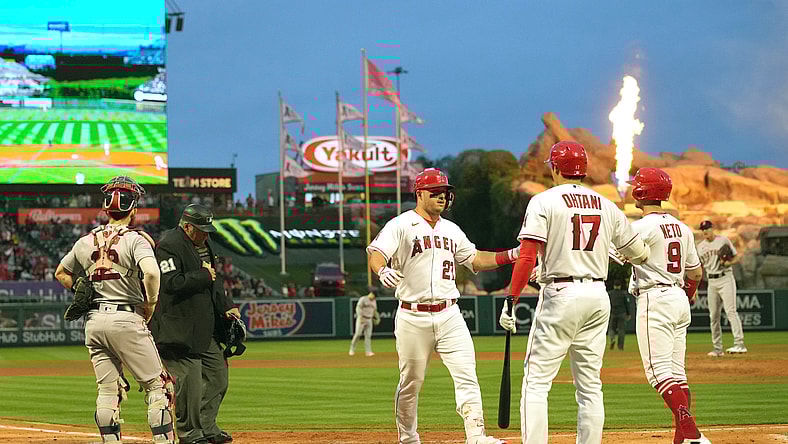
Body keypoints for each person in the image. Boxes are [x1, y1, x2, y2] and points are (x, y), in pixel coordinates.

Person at [499, 141, 650, 444]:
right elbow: (640, 253)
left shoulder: (544, 201)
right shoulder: (606, 203)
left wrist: (511, 300)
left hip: (561, 293)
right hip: (597, 294)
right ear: (583, 170)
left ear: (554, 168)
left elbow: (527, 256)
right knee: (590, 385)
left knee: (537, 382)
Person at [367, 168, 520, 444]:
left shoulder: (451, 229)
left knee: (467, 374)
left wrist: (512, 255)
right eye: (435, 192)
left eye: (445, 192)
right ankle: (408, 438)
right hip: (413, 315)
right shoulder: (401, 224)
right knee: (411, 382)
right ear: (420, 193)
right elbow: (377, 253)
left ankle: (476, 435)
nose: (442, 196)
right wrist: (381, 271)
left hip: (450, 313)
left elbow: (474, 259)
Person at [54, 175, 175, 443]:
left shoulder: (86, 240)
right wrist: (151, 304)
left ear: (106, 208)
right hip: (126, 318)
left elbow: (61, 272)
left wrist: (78, 289)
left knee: (108, 390)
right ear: (133, 209)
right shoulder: (136, 239)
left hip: (94, 321)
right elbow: (152, 273)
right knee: (159, 387)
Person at [626, 168, 711, 444]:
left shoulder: (640, 227)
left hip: (654, 297)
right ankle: (682, 440)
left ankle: (694, 434)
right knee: (677, 373)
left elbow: (615, 255)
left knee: (659, 373)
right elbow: (695, 274)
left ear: (641, 193)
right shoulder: (683, 227)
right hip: (677, 297)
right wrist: (687, 295)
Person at [149, 204, 239, 444]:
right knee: (190, 382)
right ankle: (190, 433)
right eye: (202, 229)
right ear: (187, 226)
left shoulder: (203, 245)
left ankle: (207, 427)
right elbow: (170, 282)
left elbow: (214, 281)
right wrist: (203, 275)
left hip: (204, 327)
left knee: (219, 377)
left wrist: (227, 306)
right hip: (178, 328)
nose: (206, 234)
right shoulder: (169, 244)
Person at [696, 220, 746, 356]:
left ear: (712, 228)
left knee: (731, 311)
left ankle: (739, 344)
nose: (705, 231)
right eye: (703, 229)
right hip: (711, 282)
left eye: (707, 228)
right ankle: (717, 349)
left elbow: (736, 257)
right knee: (714, 316)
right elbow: (698, 267)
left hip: (725, 278)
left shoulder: (723, 241)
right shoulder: (700, 247)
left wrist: (729, 262)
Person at [349, 291, 379, 357]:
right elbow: (358, 308)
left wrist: (376, 317)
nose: (373, 298)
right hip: (362, 318)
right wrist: (360, 316)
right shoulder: (363, 299)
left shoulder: (374, 301)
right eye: (373, 296)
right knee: (358, 334)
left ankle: (368, 352)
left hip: (369, 319)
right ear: (371, 294)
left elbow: (374, 310)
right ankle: (352, 349)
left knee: (368, 336)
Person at [607, 284, 631, 351]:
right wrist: (628, 313)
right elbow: (627, 304)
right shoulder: (623, 294)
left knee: (611, 329)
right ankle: (620, 346)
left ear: (614, 286)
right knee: (621, 330)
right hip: (622, 313)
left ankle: (612, 339)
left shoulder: (610, 294)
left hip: (612, 313)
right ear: (620, 286)